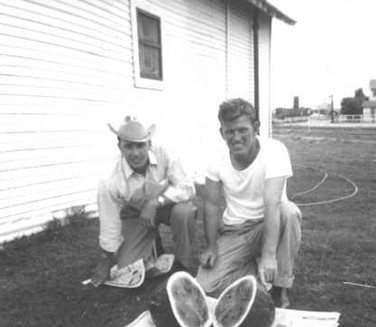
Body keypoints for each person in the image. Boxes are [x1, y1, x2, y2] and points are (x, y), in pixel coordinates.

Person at [196, 98, 302, 308]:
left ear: (256, 127)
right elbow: (210, 205)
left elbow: (272, 203)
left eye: (242, 130)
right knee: (206, 286)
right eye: (229, 132)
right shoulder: (215, 157)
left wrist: (270, 256)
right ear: (222, 133)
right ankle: (255, 271)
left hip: (270, 222)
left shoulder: (275, 150)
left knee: (289, 212)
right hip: (236, 229)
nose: (236, 137)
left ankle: (280, 286)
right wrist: (210, 247)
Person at [91, 116, 197, 286]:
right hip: (136, 215)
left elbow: (187, 188)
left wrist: (154, 203)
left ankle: (184, 264)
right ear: (119, 146)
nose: (135, 153)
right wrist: (106, 259)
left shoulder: (166, 153)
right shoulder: (109, 180)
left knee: (184, 212)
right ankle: (154, 245)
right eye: (128, 146)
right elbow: (109, 221)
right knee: (128, 268)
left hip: (167, 207)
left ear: (149, 144)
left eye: (140, 145)